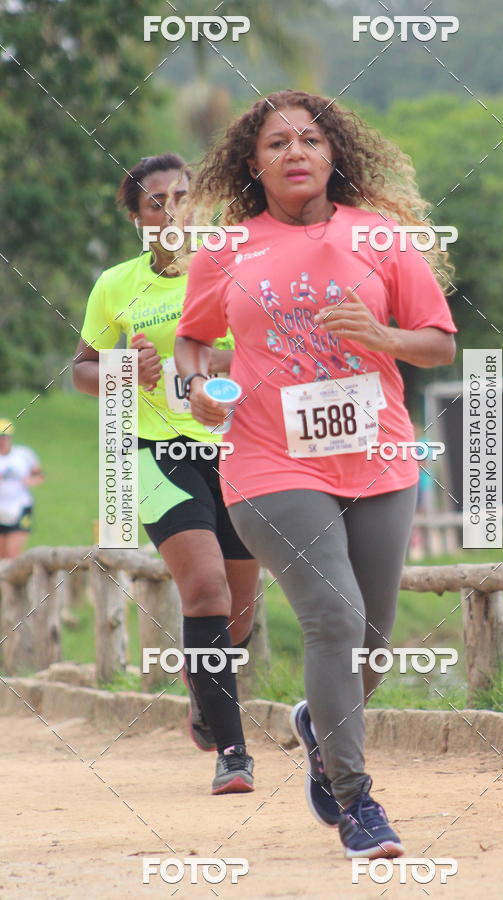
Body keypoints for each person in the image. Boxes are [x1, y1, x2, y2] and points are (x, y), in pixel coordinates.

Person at [174, 90, 457, 858]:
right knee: (331, 620)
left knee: (370, 641)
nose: (295, 152)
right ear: (253, 164)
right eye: (276, 143)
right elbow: (194, 341)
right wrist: (196, 387)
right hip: (269, 462)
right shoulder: (227, 249)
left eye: (309, 139)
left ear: (335, 155)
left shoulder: (383, 237)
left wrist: (383, 335)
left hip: (380, 457)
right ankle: (356, 801)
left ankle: (315, 721)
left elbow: (437, 344)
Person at [72, 153, 260, 794]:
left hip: (239, 452)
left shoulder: (233, 270)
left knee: (238, 612)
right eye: (158, 201)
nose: (174, 210)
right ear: (136, 216)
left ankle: (204, 693)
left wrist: (211, 363)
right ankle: (233, 755)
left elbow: (266, 352)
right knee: (205, 590)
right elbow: (81, 370)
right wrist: (127, 369)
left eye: (185, 196)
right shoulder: (115, 286)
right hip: (156, 453)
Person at [0, 419, 44, 559]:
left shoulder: (24, 454)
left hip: (21, 506)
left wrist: (30, 481)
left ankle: (14, 581)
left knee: (13, 553)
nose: (2, 441)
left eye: (4, 437)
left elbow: (39, 475)